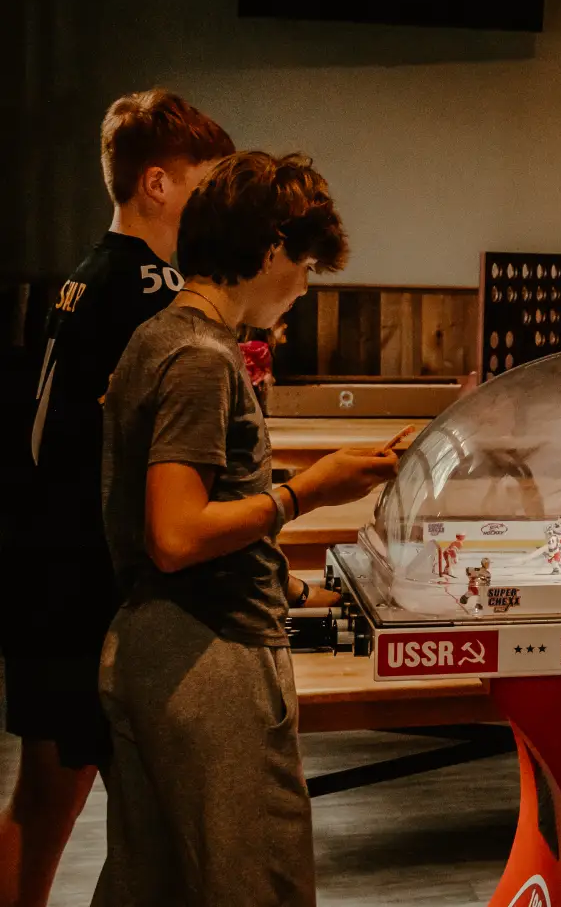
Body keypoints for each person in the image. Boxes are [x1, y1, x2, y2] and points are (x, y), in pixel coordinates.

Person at [92, 151, 398, 907]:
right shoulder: (203, 357)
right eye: (306, 266)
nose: (304, 287)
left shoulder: (157, 335)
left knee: (153, 885)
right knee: (259, 885)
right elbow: (176, 534)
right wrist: (306, 493)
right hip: (211, 659)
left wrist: (291, 583)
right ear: (270, 249)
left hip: (152, 649)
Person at [0, 90, 234, 907]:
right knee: (129, 810)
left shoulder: (82, 275)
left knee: (45, 798)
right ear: (158, 184)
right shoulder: (155, 292)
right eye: (207, 183)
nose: (218, 203)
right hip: (86, 578)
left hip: (44, 562)